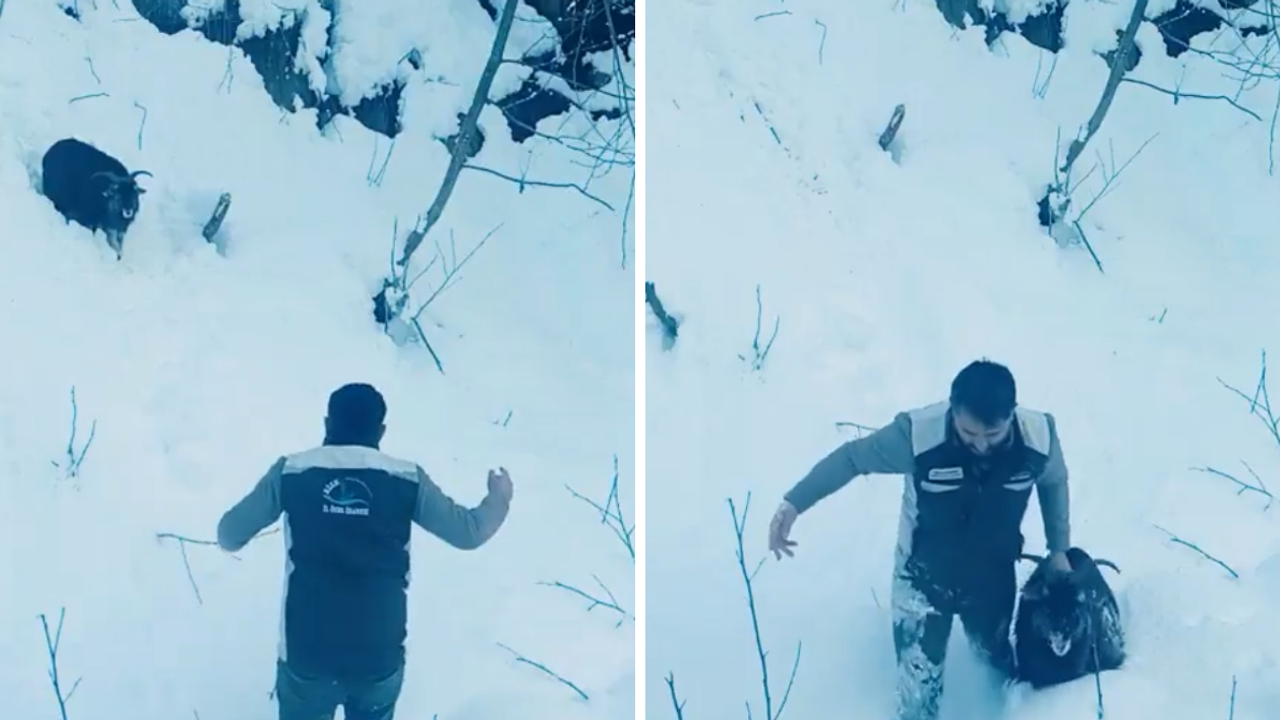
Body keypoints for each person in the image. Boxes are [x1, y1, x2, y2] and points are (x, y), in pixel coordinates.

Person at [767, 359, 1072, 720]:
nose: (980, 446)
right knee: (918, 693)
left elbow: (1054, 481)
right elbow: (852, 459)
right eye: (969, 433)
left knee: (995, 662)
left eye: (993, 435)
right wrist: (794, 503)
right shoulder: (917, 436)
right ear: (952, 410)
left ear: (1012, 415)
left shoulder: (1039, 437)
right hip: (922, 578)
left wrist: (1059, 548)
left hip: (992, 575)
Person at [216, 382, 514, 720]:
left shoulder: (291, 472)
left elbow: (228, 535)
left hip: (307, 653)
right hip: (377, 656)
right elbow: (469, 532)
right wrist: (499, 498)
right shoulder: (407, 479)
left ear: (327, 423)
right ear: (381, 430)